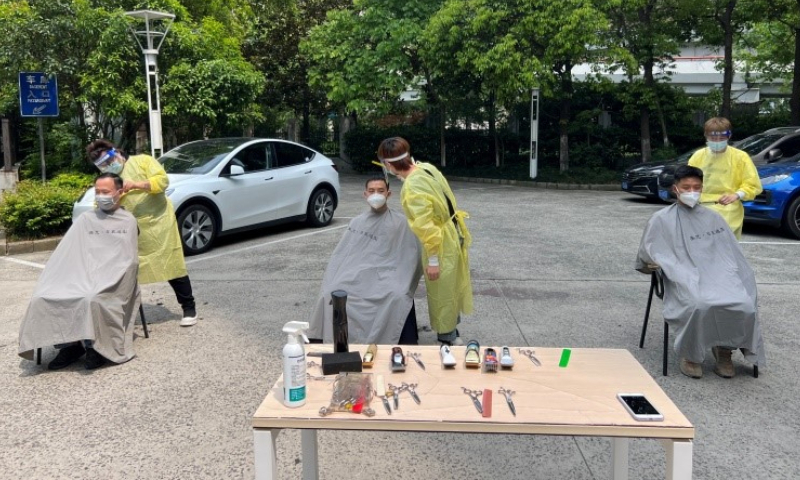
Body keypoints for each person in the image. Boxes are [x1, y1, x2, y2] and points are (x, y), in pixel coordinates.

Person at [636, 165, 766, 379]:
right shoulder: (660, 219)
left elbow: (731, 254)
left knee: (742, 303)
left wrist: (737, 275)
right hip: (683, 275)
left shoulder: (714, 219)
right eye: (686, 187)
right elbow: (647, 256)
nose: (692, 191)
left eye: (696, 187)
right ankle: (691, 355)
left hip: (718, 273)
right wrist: (655, 264)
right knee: (699, 303)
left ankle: (724, 351)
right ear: (675, 188)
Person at [19, 173, 140, 370]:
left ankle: (96, 348)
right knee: (42, 297)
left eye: (106, 192)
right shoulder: (85, 219)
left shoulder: (127, 221)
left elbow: (128, 260)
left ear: (119, 192)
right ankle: (69, 345)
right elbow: (67, 253)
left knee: (91, 298)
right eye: (98, 192)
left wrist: (105, 277)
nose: (101, 196)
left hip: (112, 277)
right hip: (80, 274)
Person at [85, 139, 198, 326]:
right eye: (102, 165)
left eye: (109, 160)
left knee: (171, 265)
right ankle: (123, 312)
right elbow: (101, 203)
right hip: (128, 230)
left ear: (116, 152)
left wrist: (136, 184)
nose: (108, 166)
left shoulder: (143, 161)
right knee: (125, 273)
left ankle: (188, 307)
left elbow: (162, 181)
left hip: (158, 224)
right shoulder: (108, 179)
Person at [377, 137, 473, 346]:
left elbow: (426, 226)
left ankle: (447, 337)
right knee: (451, 286)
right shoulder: (426, 168)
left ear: (388, 164)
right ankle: (452, 329)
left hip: (440, 242)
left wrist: (433, 260)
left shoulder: (411, 188)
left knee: (441, 290)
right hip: (452, 231)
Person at [308, 177, 423, 344]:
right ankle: (333, 340)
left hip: (388, 274)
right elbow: (343, 256)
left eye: (381, 191)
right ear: (365, 194)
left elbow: (409, 255)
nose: (376, 194)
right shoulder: (357, 222)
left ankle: (400, 339)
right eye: (372, 191)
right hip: (357, 273)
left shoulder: (401, 223)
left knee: (397, 295)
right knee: (329, 292)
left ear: (388, 194)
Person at [687, 117, 762, 239]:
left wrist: (737, 195)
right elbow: (687, 180)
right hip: (700, 207)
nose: (717, 141)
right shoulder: (698, 156)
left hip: (728, 210)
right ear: (706, 136)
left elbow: (752, 183)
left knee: (724, 248)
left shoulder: (740, 157)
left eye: (721, 138)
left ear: (729, 136)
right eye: (713, 138)